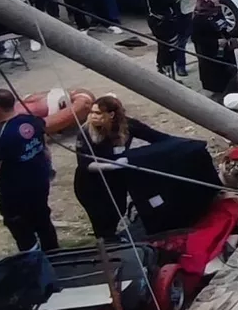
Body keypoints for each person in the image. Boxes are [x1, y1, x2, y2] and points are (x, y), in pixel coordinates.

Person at [73, 95, 171, 239]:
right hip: (91, 183)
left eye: (98, 113)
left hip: (116, 180)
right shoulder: (86, 131)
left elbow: (156, 137)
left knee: (118, 209)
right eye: (91, 112)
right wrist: (111, 166)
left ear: (111, 115)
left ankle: (111, 237)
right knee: (101, 218)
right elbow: (84, 164)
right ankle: (107, 244)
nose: (93, 116)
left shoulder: (127, 126)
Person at [0, 88, 59, 252]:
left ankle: (32, 262)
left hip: (15, 193)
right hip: (40, 184)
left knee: (21, 229)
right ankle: (55, 256)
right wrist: (48, 169)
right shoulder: (33, 121)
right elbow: (44, 147)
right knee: (43, 221)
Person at [140, 0, 192, 75]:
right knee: (167, 48)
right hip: (159, 20)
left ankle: (168, 73)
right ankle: (166, 73)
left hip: (165, 19)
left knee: (167, 48)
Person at [190, 0, 238, 99]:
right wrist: (215, 42)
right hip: (209, 53)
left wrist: (229, 38)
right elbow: (196, 38)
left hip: (225, 51)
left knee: (230, 73)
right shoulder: (199, 18)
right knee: (216, 77)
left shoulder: (217, 11)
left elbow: (223, 27)